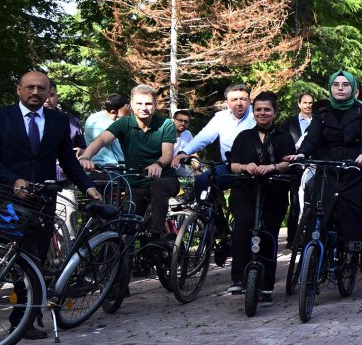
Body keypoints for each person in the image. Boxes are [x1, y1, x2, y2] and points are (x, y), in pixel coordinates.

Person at [0, 71, 101, 340]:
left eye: (41, 88)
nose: (35, 92)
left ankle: (26, 321)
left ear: (49, 91)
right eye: (30, 87)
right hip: (4, 199)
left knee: (34, 261)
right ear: (18, 90)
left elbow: (69, 161)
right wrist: (14, 180)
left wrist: (88, 186)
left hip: (41, 202)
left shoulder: (59, 121)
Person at [294, 70, 362, 300]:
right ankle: (314, 262)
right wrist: (302, 154)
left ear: (353, 88)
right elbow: (312, 138)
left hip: (356, 171)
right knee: (316, 212)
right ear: (330, 88)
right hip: (329, 169)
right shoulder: (322, 112)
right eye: (336, 85)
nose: (340, 88)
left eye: (345, 84)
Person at [81, 85, 180, 239]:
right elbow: (101, 140)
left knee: (157, 187)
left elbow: (167, 154)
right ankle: (128, 257)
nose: (144, 108)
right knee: (127, 227)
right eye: (139, 103)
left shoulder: (165, 124)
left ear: (155, 105)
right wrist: (86, 157)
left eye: (148, 104)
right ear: (132, 105)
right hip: (135, 181)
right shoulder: (124, 123)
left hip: (164, 178)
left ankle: (156, 237)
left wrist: (157, 165)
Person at [171, 83, 255, 265]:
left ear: (250, 100)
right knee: (202, 180)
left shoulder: (256, 116)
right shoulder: (220, 118)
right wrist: (184, 152)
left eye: (243, 99)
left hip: (252, 169)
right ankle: (216, 225)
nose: (239, 103)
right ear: (227, 102)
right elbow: (204, 137)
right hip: (228, 165)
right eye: (234, 100)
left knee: (243, 209)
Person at [226, 92, 296, 302]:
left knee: (269, 232)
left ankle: (266, 284)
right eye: (258, 110)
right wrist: (246, 167)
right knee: (243, 226)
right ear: (253, 111)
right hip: (247, 189)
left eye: (267, 109)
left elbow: (287, 163)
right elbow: (233, 163)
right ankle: (238, 278)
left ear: (275, 112)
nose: (262, 113)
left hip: (273, 190)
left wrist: (272, 167)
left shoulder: (284, 137)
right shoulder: (244, 137)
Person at [280, 92, 314, 248]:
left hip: (314, 166)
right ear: (299, 104)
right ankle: (293, 239)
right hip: (295, 168)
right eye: (305, 102)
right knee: (295, 202)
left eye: (311, 103)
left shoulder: (318, 122)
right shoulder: (289, 123)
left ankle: (310, 237)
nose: (308, 106)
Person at [83, 93, 129, 167]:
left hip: (120, 166)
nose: (129, 110)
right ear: (113, 112)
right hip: (104, 166)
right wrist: (122, 117)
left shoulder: (117, 119)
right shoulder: (96, 120)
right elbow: (104, 141)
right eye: (127, 108)